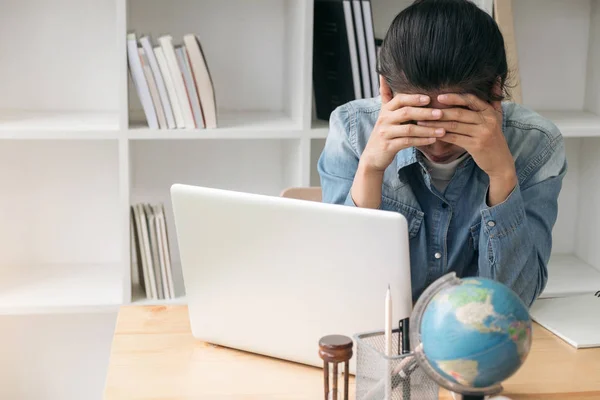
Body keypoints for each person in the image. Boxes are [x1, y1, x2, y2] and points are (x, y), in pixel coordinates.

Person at [317, 0, 567, 307]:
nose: (436, 144)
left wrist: (502, 175)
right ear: (386, 91)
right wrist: (370, 169)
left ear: (495, 92)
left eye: (455, 125)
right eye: (417, 122)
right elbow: (341, 289)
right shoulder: (353, 130)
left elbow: (516, 298)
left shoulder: (535, 145)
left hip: (478, 346)